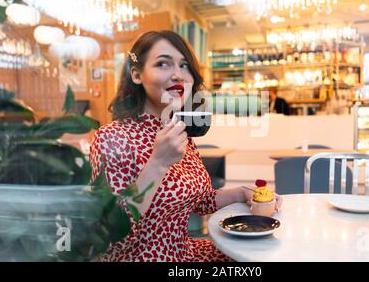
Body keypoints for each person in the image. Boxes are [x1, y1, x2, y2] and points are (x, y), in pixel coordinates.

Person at [89, 30, 282, 262]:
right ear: (137, 75)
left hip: (185, 254)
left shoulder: (181, 131)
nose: (178, 75)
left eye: (184, 66)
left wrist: (241, 193)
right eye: (163, 64)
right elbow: (109, 240)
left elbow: (200, 201)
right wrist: (158, 164)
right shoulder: (112, 138)